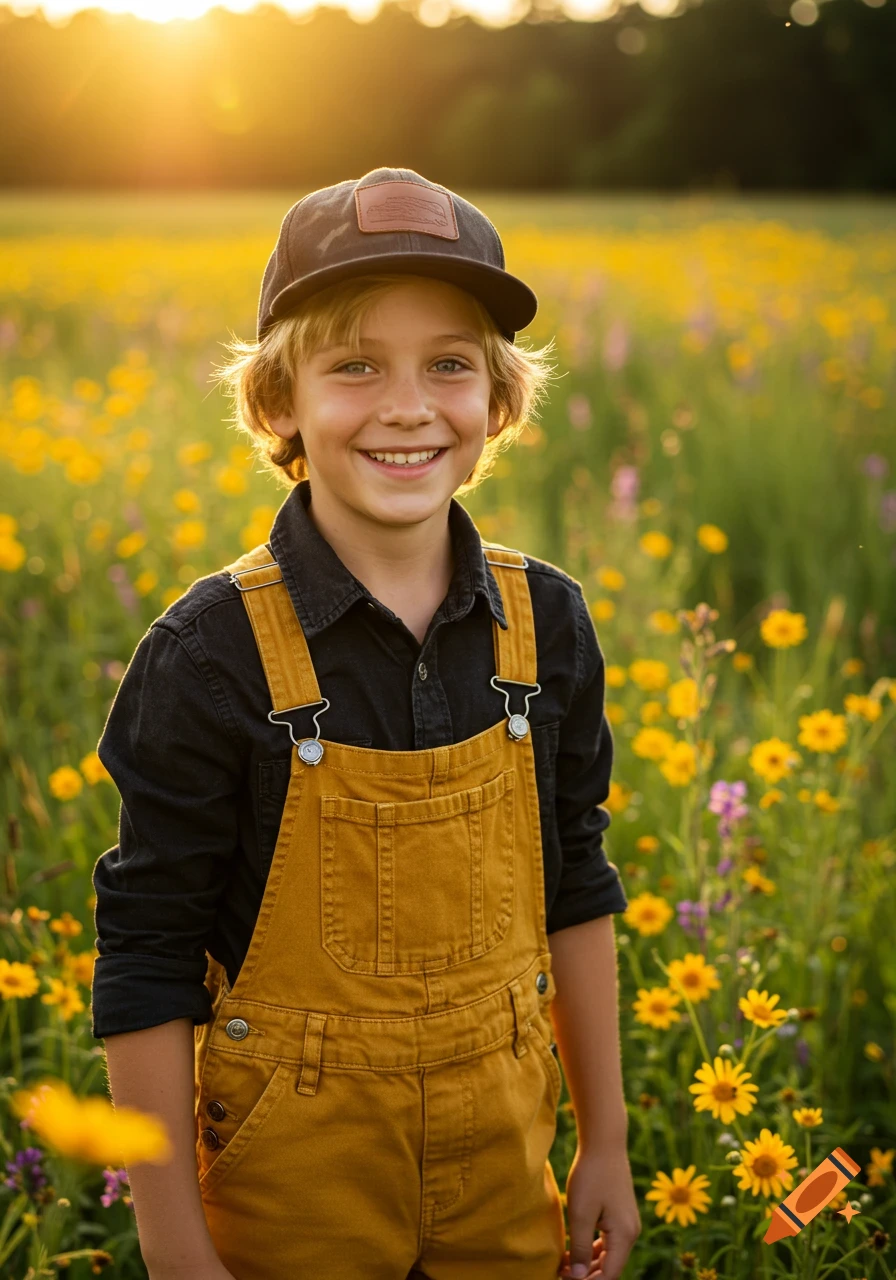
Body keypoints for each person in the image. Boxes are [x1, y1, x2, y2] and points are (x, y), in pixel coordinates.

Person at [91, 166, 641, 1280]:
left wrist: (609, 1142)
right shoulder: (208, 654)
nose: (406, 405)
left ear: (496, 401)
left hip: (501, 1166)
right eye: (354, 366)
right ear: (278, 401)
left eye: (448, 363)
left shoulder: (548, 622)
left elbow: (573, 883)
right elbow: (147, 954)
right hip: (292, 1193)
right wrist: (175, 1248)